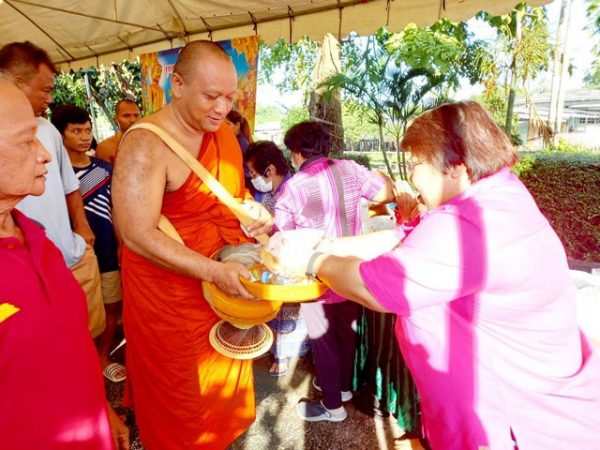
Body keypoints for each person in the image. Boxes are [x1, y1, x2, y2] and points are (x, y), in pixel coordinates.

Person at [267, 101, 600, 449]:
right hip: (508, 406)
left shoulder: (469, 223)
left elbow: (372, 287)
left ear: (455, 166)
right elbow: (402, 237)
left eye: (416, 164)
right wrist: (326, 243)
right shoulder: (496, 194)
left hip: (512, 424)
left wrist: (313, 260)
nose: (410, 177)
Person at [112, 40, 271, 449]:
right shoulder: (146, 143)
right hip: (172, 300)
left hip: (223, 288)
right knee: (182, 402)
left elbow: (228, 198)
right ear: (177, 84)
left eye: (229, 97)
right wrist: (213, 270)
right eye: (211, 96)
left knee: (221, 395)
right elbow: (136, 232)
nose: (222, 108)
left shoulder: (224, 136)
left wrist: (252, 213)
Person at [0, 71, 129, 450]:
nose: (44, 154)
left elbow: (70, 343)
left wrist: (101, 407)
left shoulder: (35, 235)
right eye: (26, 142)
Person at [252, 121, 394, 422]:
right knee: (346, 334)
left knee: (323, 340)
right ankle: (341, 388)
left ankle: (333, 407)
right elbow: (385, 194)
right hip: (351, 271)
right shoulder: (352, 170)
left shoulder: (294, 187)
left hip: (315, 275)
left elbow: (282, 239)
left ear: (297, 153)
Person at [0, 40, 105, 338]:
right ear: (16, 83)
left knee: (86, 330)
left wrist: (82, 232)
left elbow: (69, 186)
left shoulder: (47, 131)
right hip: (25, 269)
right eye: (45, 89)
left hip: (68, 253)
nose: (41, 155)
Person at [51, 104, 126, 383]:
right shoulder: (53, 174)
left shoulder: (104, 168)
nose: (84, 136)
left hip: (107, 251)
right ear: (60, 135)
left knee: (112, 305)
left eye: (87, 130)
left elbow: (115, 208)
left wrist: (120, 243)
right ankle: (81, 359)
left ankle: (103, 356)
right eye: (75, 131)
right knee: (79, 311)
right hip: (76, 256)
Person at [244, 140, 311, 376]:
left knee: (288, 309)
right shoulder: (276, 190)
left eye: (253, 173)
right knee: (277, 305)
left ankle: (284, 356)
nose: (253, 179)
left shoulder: (290, 190)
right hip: (276, 257)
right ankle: (278, 350)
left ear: (269, 170)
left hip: (291, 260)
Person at [226, 109, 260, 199]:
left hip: (245, 181)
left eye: (227, 124)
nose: (223, 128)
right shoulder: (238, 140)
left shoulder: (240, 143)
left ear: (237, 125)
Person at [96, 99, 141, 166]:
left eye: (136, 115)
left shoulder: (151, 142)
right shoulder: (106, 147)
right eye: (126, 116)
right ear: (116, 118)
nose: (133, 120)